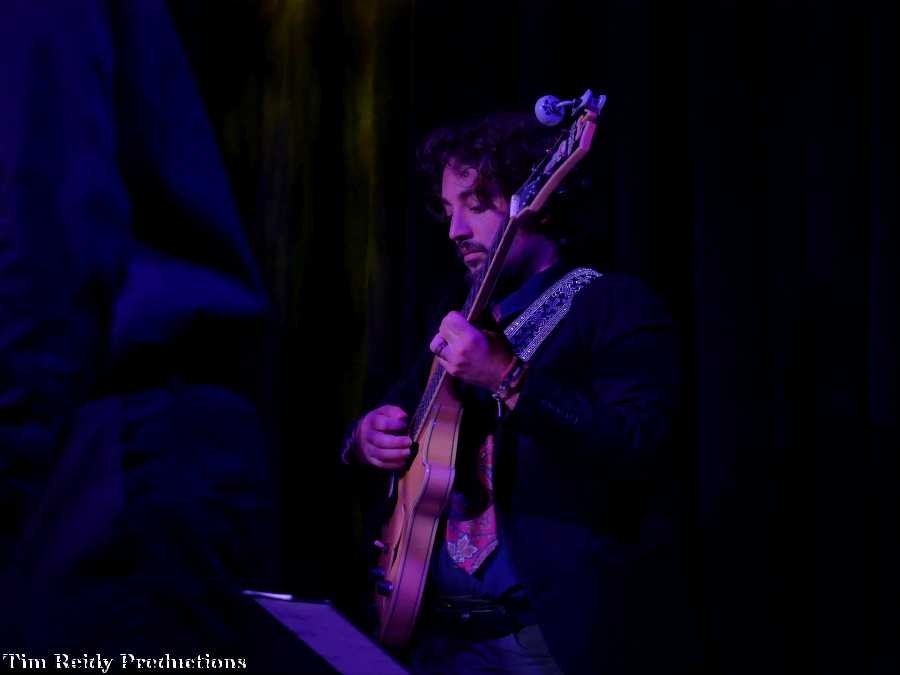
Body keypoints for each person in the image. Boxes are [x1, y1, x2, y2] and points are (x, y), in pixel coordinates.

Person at [345, 113, 699, 673]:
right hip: (435, 637)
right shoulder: (465, 322)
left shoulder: (613, 305)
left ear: (539, 203)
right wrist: (365, 437)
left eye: (477, 204)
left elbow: (639, 445)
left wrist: (508, 377)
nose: (455, 229)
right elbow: (390, 416)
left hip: (545, 640)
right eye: (448, 209)